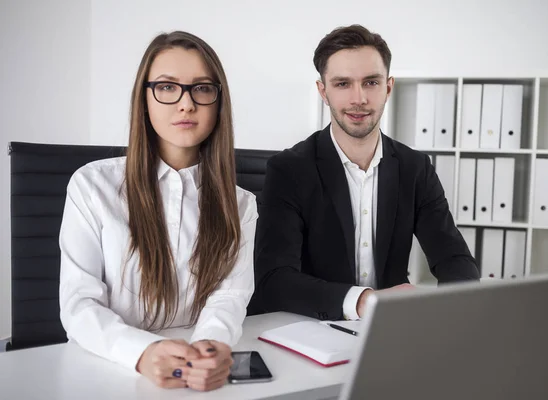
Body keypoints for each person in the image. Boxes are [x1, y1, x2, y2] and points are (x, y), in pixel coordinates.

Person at [59, 31, 257, 392]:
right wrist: (141, 352)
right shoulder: (91, 186)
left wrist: (209, 347)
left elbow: (229, 297)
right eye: (167, 87)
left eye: (202, 88)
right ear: (144, 99)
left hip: (195, 376)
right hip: (105, 371)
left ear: (218, 102)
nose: (186, 104)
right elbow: (79, 303)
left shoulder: (241, 204)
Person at [253, 24, 479, 322]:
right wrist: (365, 301)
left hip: (389, 329)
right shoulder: (289, 170)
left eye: (371, 82)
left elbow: (454, 258)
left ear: (388, 87)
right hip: (310, 325)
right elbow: (274, 280)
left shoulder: (415, 168)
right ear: (323, 91)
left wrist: (452, 312)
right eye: (343, 84)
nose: (358, 99)